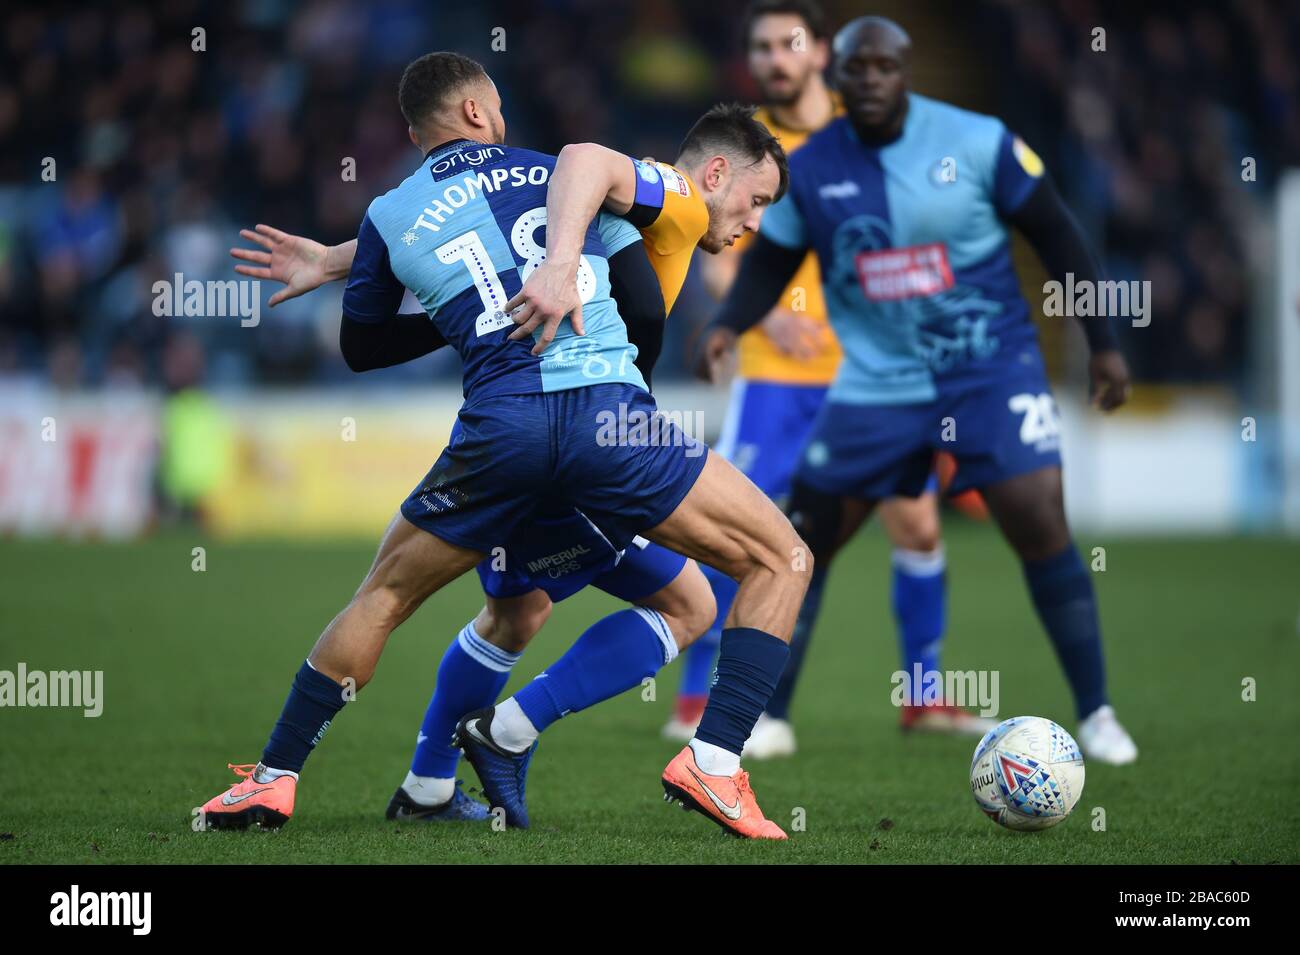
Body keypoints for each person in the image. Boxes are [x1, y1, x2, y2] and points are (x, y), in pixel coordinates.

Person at [200, 52, 810, 841]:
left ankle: (283, 780)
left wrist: (415, 293)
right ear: (483, 112)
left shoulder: (387, 213)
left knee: (396, 598)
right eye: (757, 202)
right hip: (605, 420)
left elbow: (362, 346)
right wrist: (564, 273)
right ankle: (714, 760)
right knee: (777, 559)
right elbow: (632, 293)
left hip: (501, 431)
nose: (754, 220)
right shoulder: (572, 175)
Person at [695, 17, 1139, 765]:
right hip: (876, 384)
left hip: (988, 373)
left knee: (1040, 525)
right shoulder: (815, 164)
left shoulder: (978, 140)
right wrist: (730, 323)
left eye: (884, 67)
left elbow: (1058, 234)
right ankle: (771, 714)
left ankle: (1096, 711)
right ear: (835, 75)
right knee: (804, 539)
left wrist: (1104, 344)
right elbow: (773, 258)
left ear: (906, 72)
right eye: (855, 68)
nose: (869, 79)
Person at [670, 0, 990, 761]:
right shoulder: (743, 142)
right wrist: (763, 315)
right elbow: (714, 255)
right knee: (731, 529)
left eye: (790, 44)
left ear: (819, 53)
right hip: (779, 378)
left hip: (870, 375)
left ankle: (922, 696)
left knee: (917, 524)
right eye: (761, 47)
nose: (775, 60)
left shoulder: (868, 127)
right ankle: (694, 696)